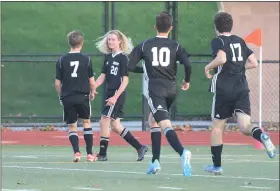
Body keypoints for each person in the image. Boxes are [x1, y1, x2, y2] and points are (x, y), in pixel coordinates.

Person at [204, 12, 276, 175]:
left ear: (216, 27)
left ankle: (217, 166)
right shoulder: (239, 40)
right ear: (231, 26)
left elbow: (221, 59)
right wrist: (237, 67)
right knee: (244, 126)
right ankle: (262, 136)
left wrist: (207, 67)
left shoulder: (218, 41)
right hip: (241, 87)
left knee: (217, 127)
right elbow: (253, 63)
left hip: (224, 88)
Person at [128, 11, 192, 176]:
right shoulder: (175, 45)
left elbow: (129, 65)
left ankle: (183, 152)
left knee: (164, 124)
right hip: (172, 89)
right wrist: (187, 80)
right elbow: (188, 64)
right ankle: (155, 162)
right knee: (153, 121)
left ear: (155, 27)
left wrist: (143, 69)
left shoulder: (145, 45)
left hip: (156, 90)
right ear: (170, 28)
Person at [94, 30, 148, 161]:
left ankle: (102, 153)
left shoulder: (123, 58)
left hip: (116, 94)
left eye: (113, 39)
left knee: (104, 120)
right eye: (109, 39)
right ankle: (140, 147)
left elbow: (125, 80)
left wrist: (115, 97)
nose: (110, 41)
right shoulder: (108, 57)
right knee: (116, 126)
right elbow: (102, 76)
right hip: (109, 94)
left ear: (120, 41)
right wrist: (93, 87)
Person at [55, 30, 97, 162]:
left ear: (69, 43)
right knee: (86, 122)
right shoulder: (87, 59)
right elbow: (91, 81)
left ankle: (76, 153)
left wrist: (61, 95)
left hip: (68, 96)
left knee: (72, 125)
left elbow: (57, 83)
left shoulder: (62, 60)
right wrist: (92, 92)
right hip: (82, 96)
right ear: (82, 43)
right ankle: (90, 154)